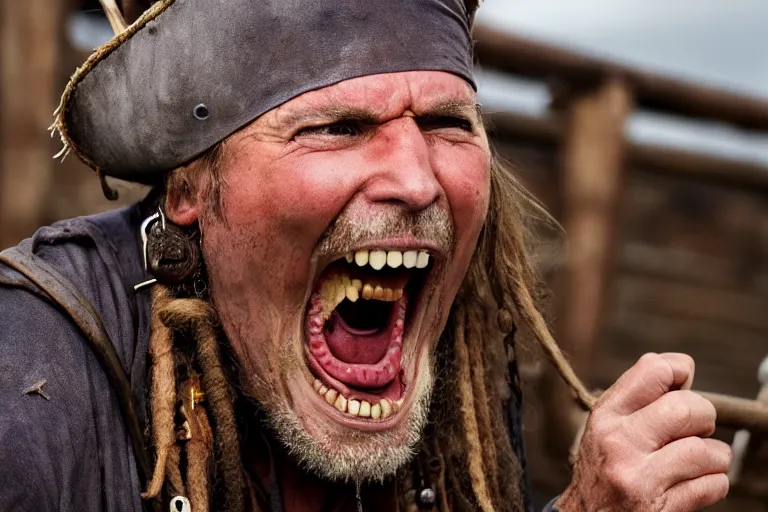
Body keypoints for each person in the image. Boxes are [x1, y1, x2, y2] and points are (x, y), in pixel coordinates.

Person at [0, 0, 732, 511]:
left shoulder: (460, 365)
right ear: (192, 185)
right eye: (339, 127)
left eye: (448, 122)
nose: (418, 181)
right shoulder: (30, 380)